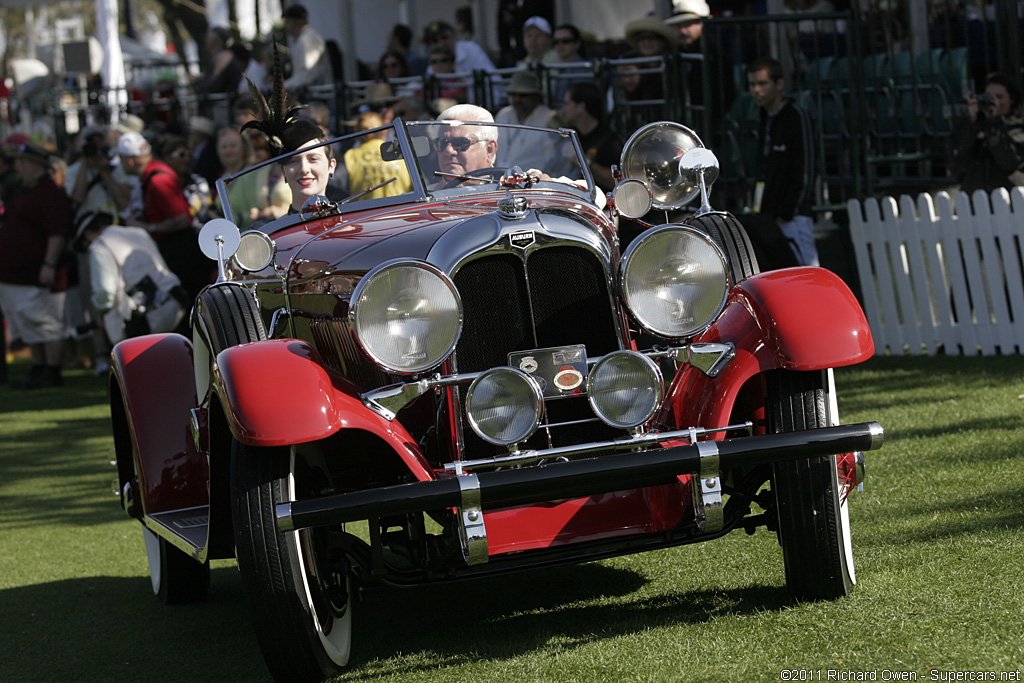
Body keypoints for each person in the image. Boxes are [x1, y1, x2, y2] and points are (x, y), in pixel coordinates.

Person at [0, 143, 74, 389]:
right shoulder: (27, 191)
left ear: (33, 165)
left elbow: (56, 233)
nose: (17, 167)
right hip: (19, 274)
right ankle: (39, 367)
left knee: (48, 322)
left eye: (20, 162)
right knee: (29, 322)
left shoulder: (50, 193)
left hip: (38, 272)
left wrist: (49, 264)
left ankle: (51, 370)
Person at [741, 56, 819, 268]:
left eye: (762, 83)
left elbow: (807, 167)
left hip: (794, 217)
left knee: (808, 274)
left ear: (779, 84)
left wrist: (790, 211)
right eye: (752, 84)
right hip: (771, 217)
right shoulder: (765, 118)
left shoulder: (796, 116)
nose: (757, 90)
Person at [115, 132, 210, 300]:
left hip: (180, 252)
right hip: (178, 249)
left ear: (129, 161)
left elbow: (181, 220)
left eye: (121, 160)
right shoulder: (152, 176)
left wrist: (148, 227)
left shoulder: (158, 181)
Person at [74, 210, 186, 344]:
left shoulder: (99, 247)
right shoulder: (138, 232)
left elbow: (105, 291)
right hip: (174, 302)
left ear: (88, 233)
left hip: (142, 319)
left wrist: (102, 309)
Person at [666, 0, 732, 139]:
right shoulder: (677, 53)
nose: (683, 31)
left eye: (688, 25)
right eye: (679, 26)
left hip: (709, 121)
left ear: (700, 24)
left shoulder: (713, 53)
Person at [951, 72, 1024, 195]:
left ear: (1011, 100)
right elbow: (957, 164)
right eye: (988, 96)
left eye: (999, 97)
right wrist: (972, 123)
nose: (992, 101)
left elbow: (1008, 162)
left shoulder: (1018, 130)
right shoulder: (973, 128)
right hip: (975, 202)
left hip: (1010, 201)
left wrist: (995, 121)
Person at [561, 82, 623, 193]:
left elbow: (616, 182)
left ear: (581, 107)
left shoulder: (609, 141)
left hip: (602, 205)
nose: (563, 109)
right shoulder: (572, 134)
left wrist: (583, 161)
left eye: (566, 104)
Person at [65, 125, 132, 225]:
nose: (96, 146)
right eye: (91, 141)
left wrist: (104, 171)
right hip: (89, 228)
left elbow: (124, 203)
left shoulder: (116, 170)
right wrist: (84, 160)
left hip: (113, 227)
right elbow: (78, 198)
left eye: (100, 141)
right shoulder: (73, 171)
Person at [343, 112, 413, 201]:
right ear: (382, 131)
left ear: (358, 132)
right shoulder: (401, 152)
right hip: (400, 210)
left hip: (365, 212)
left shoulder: (350, 156)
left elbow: (340, 189)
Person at [494, 70, 555, 170]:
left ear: (535, 96)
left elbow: (552, 157)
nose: (517, 99)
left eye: (523, 95)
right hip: (500, 177)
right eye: (514, 95)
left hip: (534, 180)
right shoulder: (503, 114)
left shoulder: (549, 118)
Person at [434, 104, 499, 184]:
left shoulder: (510, 194)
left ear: (489, 150)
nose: (448, 150)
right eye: (441, 143)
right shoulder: (426, 195)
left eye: (460, 143)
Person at [282, 4, 330, 92]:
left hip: (316, 98)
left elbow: (308, 75)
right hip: (312, 96)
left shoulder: (308, 39)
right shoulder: (304, 38)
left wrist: (282, 87)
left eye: (287, 21)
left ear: (293, 21)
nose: (286, 25)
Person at [423, 20, 496, 75]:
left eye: (444, 37)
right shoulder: (434, 58)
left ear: (455, 36)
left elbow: (490, 76)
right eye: (435, 40)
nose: (440, 42)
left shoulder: (470, 48)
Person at [195, 26, 244, 97]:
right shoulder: (219, 55)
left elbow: (214, 82)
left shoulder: (224, 56)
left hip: (223, 100)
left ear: (215, 40)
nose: (206, 40)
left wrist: (200, 84)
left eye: (209, 37)